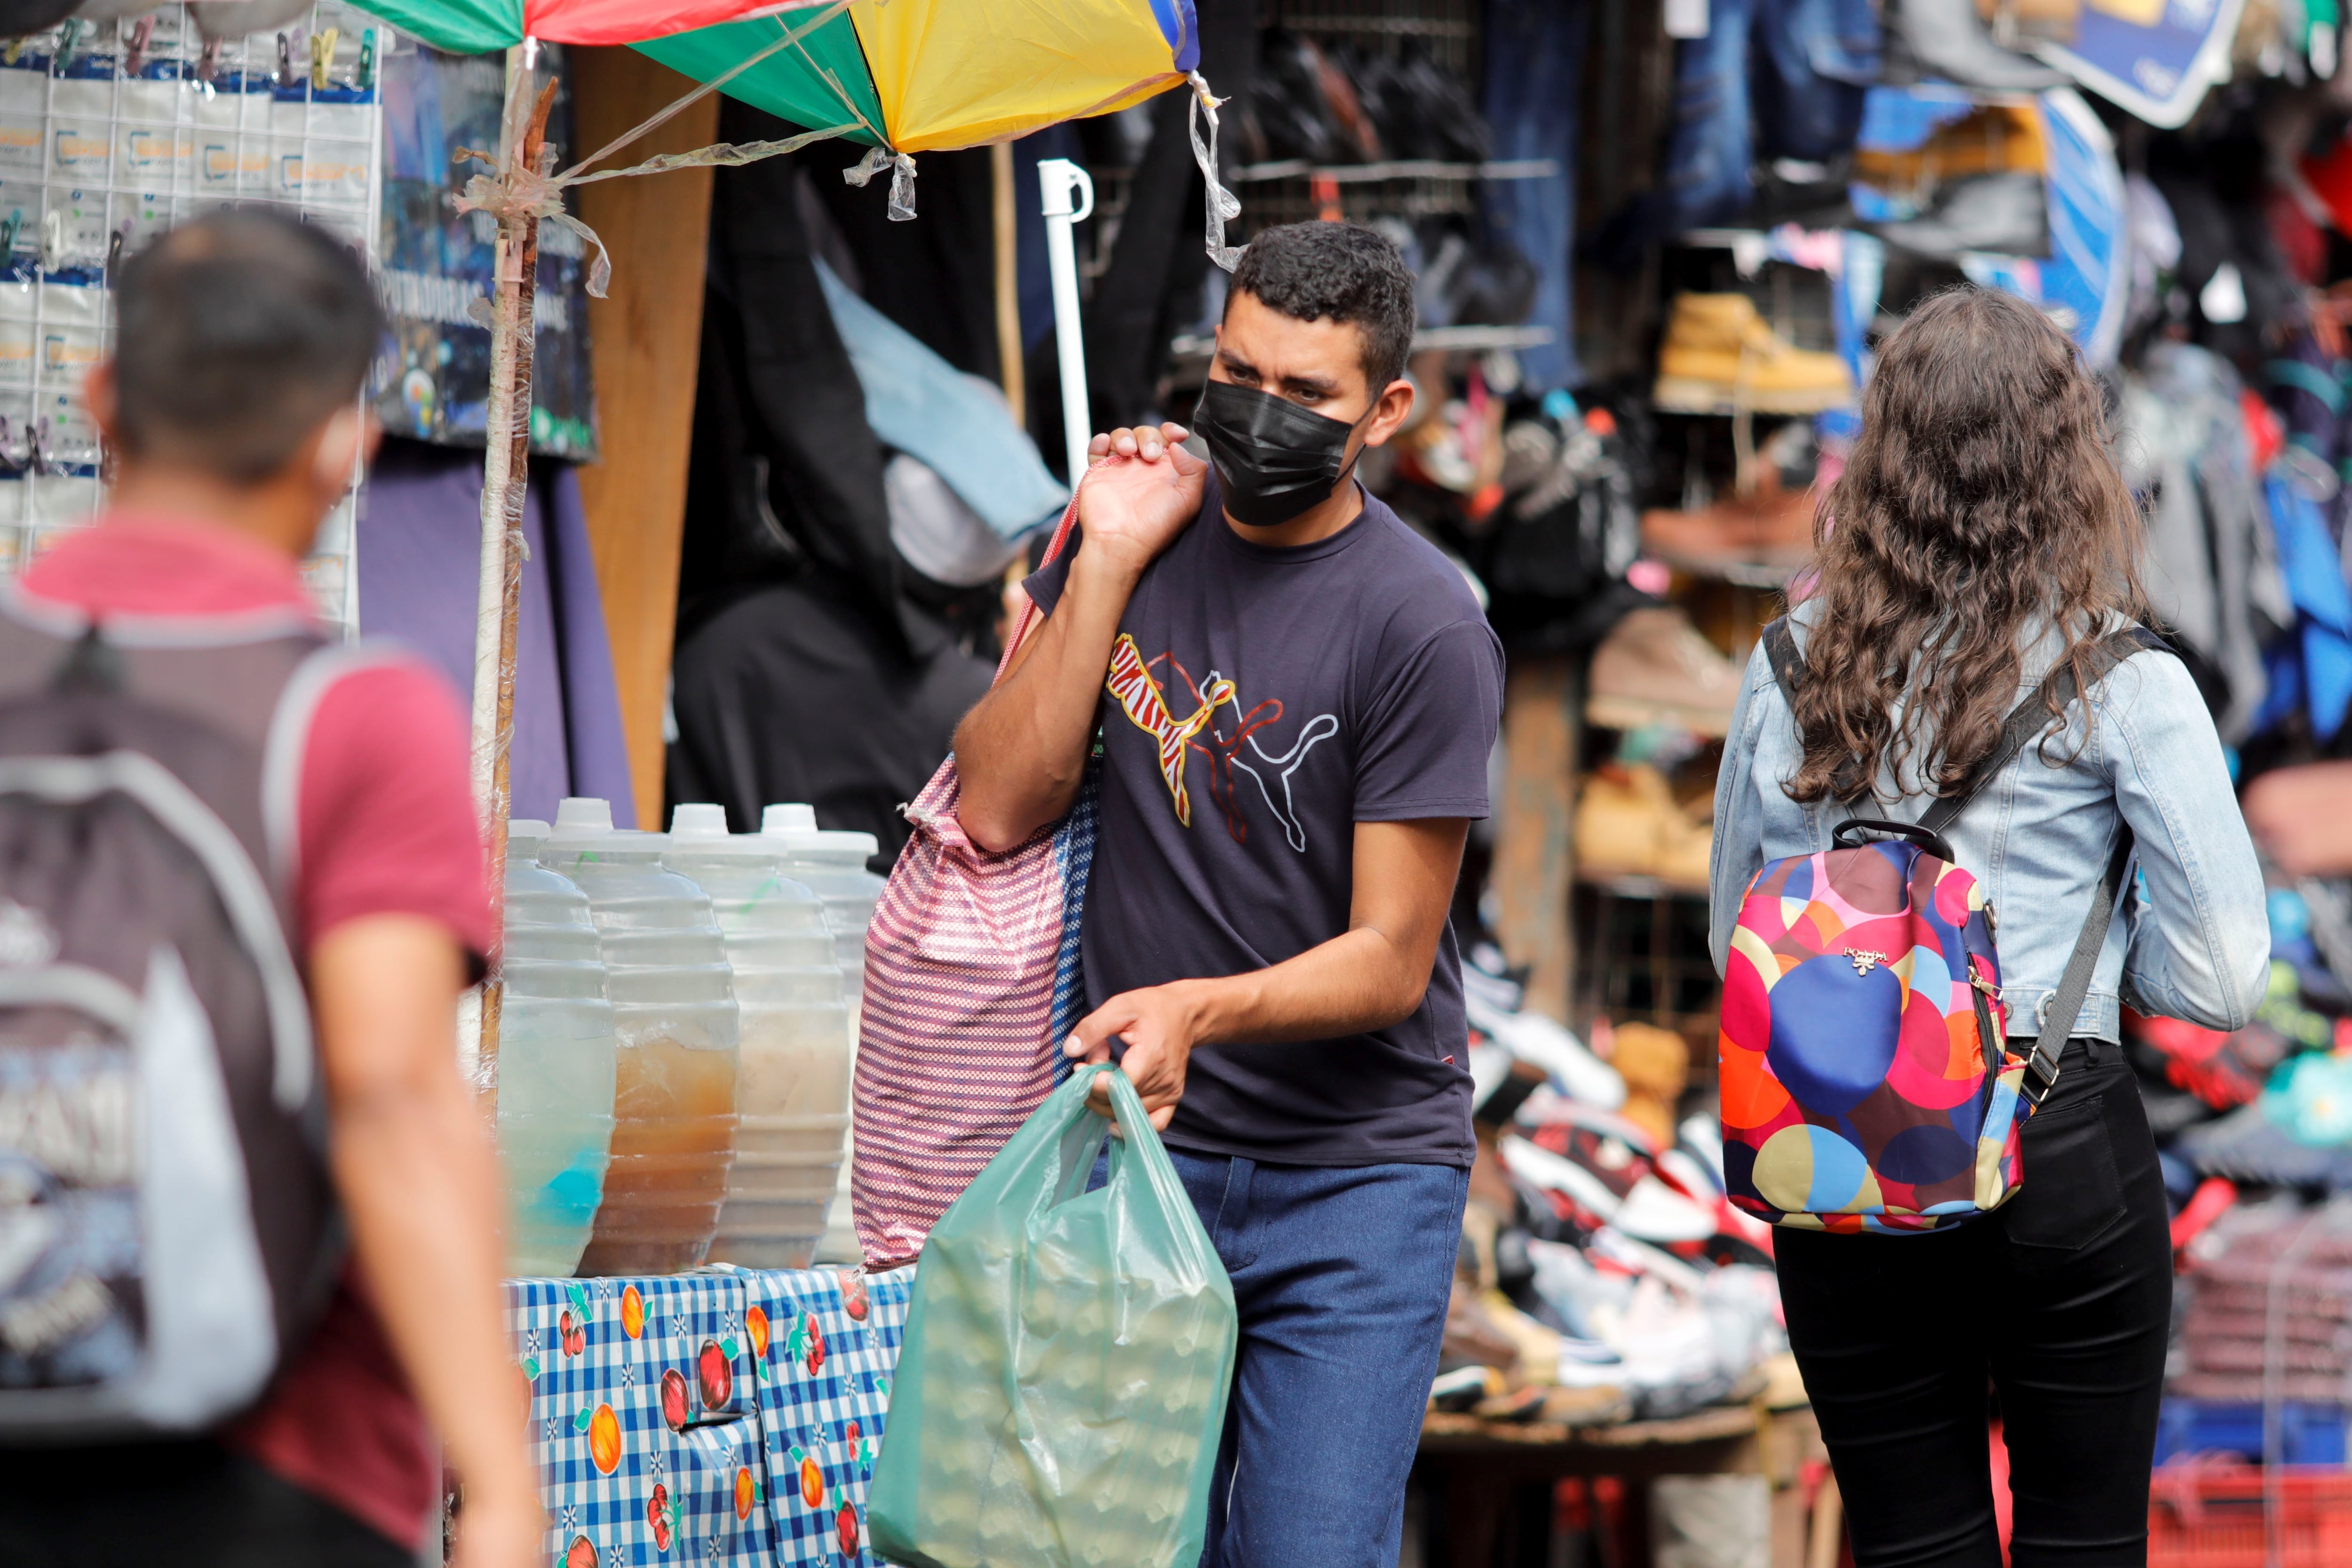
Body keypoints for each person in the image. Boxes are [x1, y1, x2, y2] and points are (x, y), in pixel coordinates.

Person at [951, 221, 1503, 1568]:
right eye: (1235, 373)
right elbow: (994, 803)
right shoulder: (1132, 529)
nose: (1258, 415)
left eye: (1305, 395)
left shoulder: (1425, 625)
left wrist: (1197, 1010)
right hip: (1139, 1163)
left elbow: (1388, 955)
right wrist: (1109, 563)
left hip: (1355, 1191)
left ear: (1384, 411)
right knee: (1107, 1548)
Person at [0, 213, 538, 1566]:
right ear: (344, 444)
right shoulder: (355, 719)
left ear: (103, 403)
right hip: (280, 1459)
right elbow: (394, 1096)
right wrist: (503, 1488)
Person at [1708, 287, 2269, 1567]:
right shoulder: (2124, 681)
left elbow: (1731, 943)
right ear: (2073, 468)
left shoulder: (1789, 661)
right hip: (2053, 1132)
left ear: (1880, 460)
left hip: (1840, 1141)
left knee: (1912, 1547)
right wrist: (2099, 938)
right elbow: (2224, 981)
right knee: (2083, 1545)